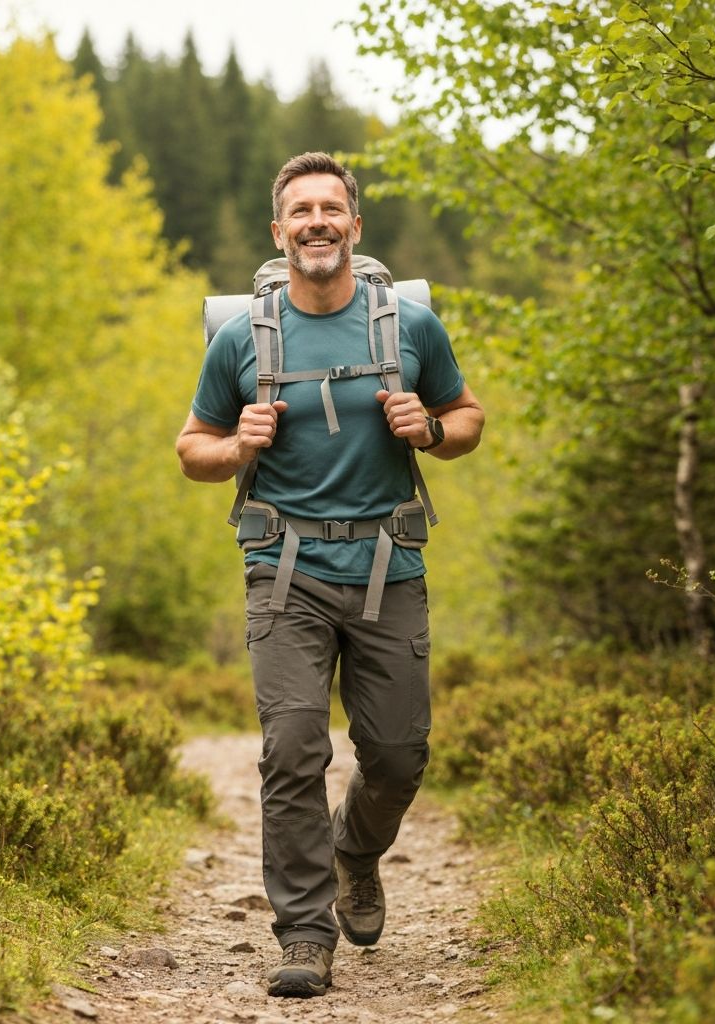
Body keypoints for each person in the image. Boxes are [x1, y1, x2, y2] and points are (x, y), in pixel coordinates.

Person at [175, 152, 485, 998]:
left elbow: (469, 417)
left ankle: (355, 848)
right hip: (284, 571)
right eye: (300, 212)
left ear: (354, 224)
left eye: (330, 209)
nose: (317, 222)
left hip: (391, 564)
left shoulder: (409, 327)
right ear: (280, 233)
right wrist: (237, 446)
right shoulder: (243, 338)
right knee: (292, 747)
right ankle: (306, 935)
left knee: (396, 752)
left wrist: (431, 431)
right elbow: (192, 450)